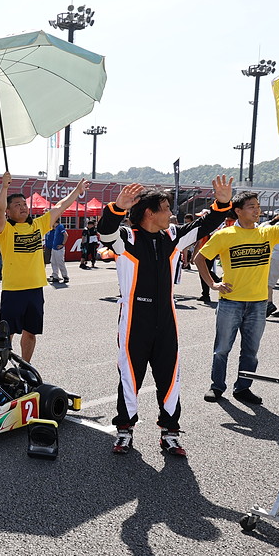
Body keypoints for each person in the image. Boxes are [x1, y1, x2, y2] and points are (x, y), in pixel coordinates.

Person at [98, 177, 234, 456]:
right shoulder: (127, 238)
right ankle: (124, 430)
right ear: (150, 213)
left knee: (170, 376)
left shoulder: (173, 236)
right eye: (166, 209)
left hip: (166, 318)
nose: (171, 214)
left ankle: (170, 432)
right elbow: (105, 231)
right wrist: (118, 207)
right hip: (134, 319)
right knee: (130, 376)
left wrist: (221, 204)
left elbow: (204, 226)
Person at [195, 185, 279, 406]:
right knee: (222, 349)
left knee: (251, 351)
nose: (257, 210)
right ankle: (217, 386)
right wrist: (213, 284)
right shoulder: (225, 235)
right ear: (238, 211)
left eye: (258, 206)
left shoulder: (267, 232)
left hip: (258, 303)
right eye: (251, 207)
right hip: (230, 302)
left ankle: (243, 388)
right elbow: (199, 258)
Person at [0, 172, 89, 362]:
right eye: (17, 205)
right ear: (8, 212)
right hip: (13, 290)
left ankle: (25, 367)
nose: (22, 207)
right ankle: (1, 367)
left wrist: (77, 191)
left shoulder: (38, 224)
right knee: (7, 333)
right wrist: (4, 187)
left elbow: (60, 206)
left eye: (24, 204)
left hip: (35, 289)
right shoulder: (5, 229)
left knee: (30, 333)